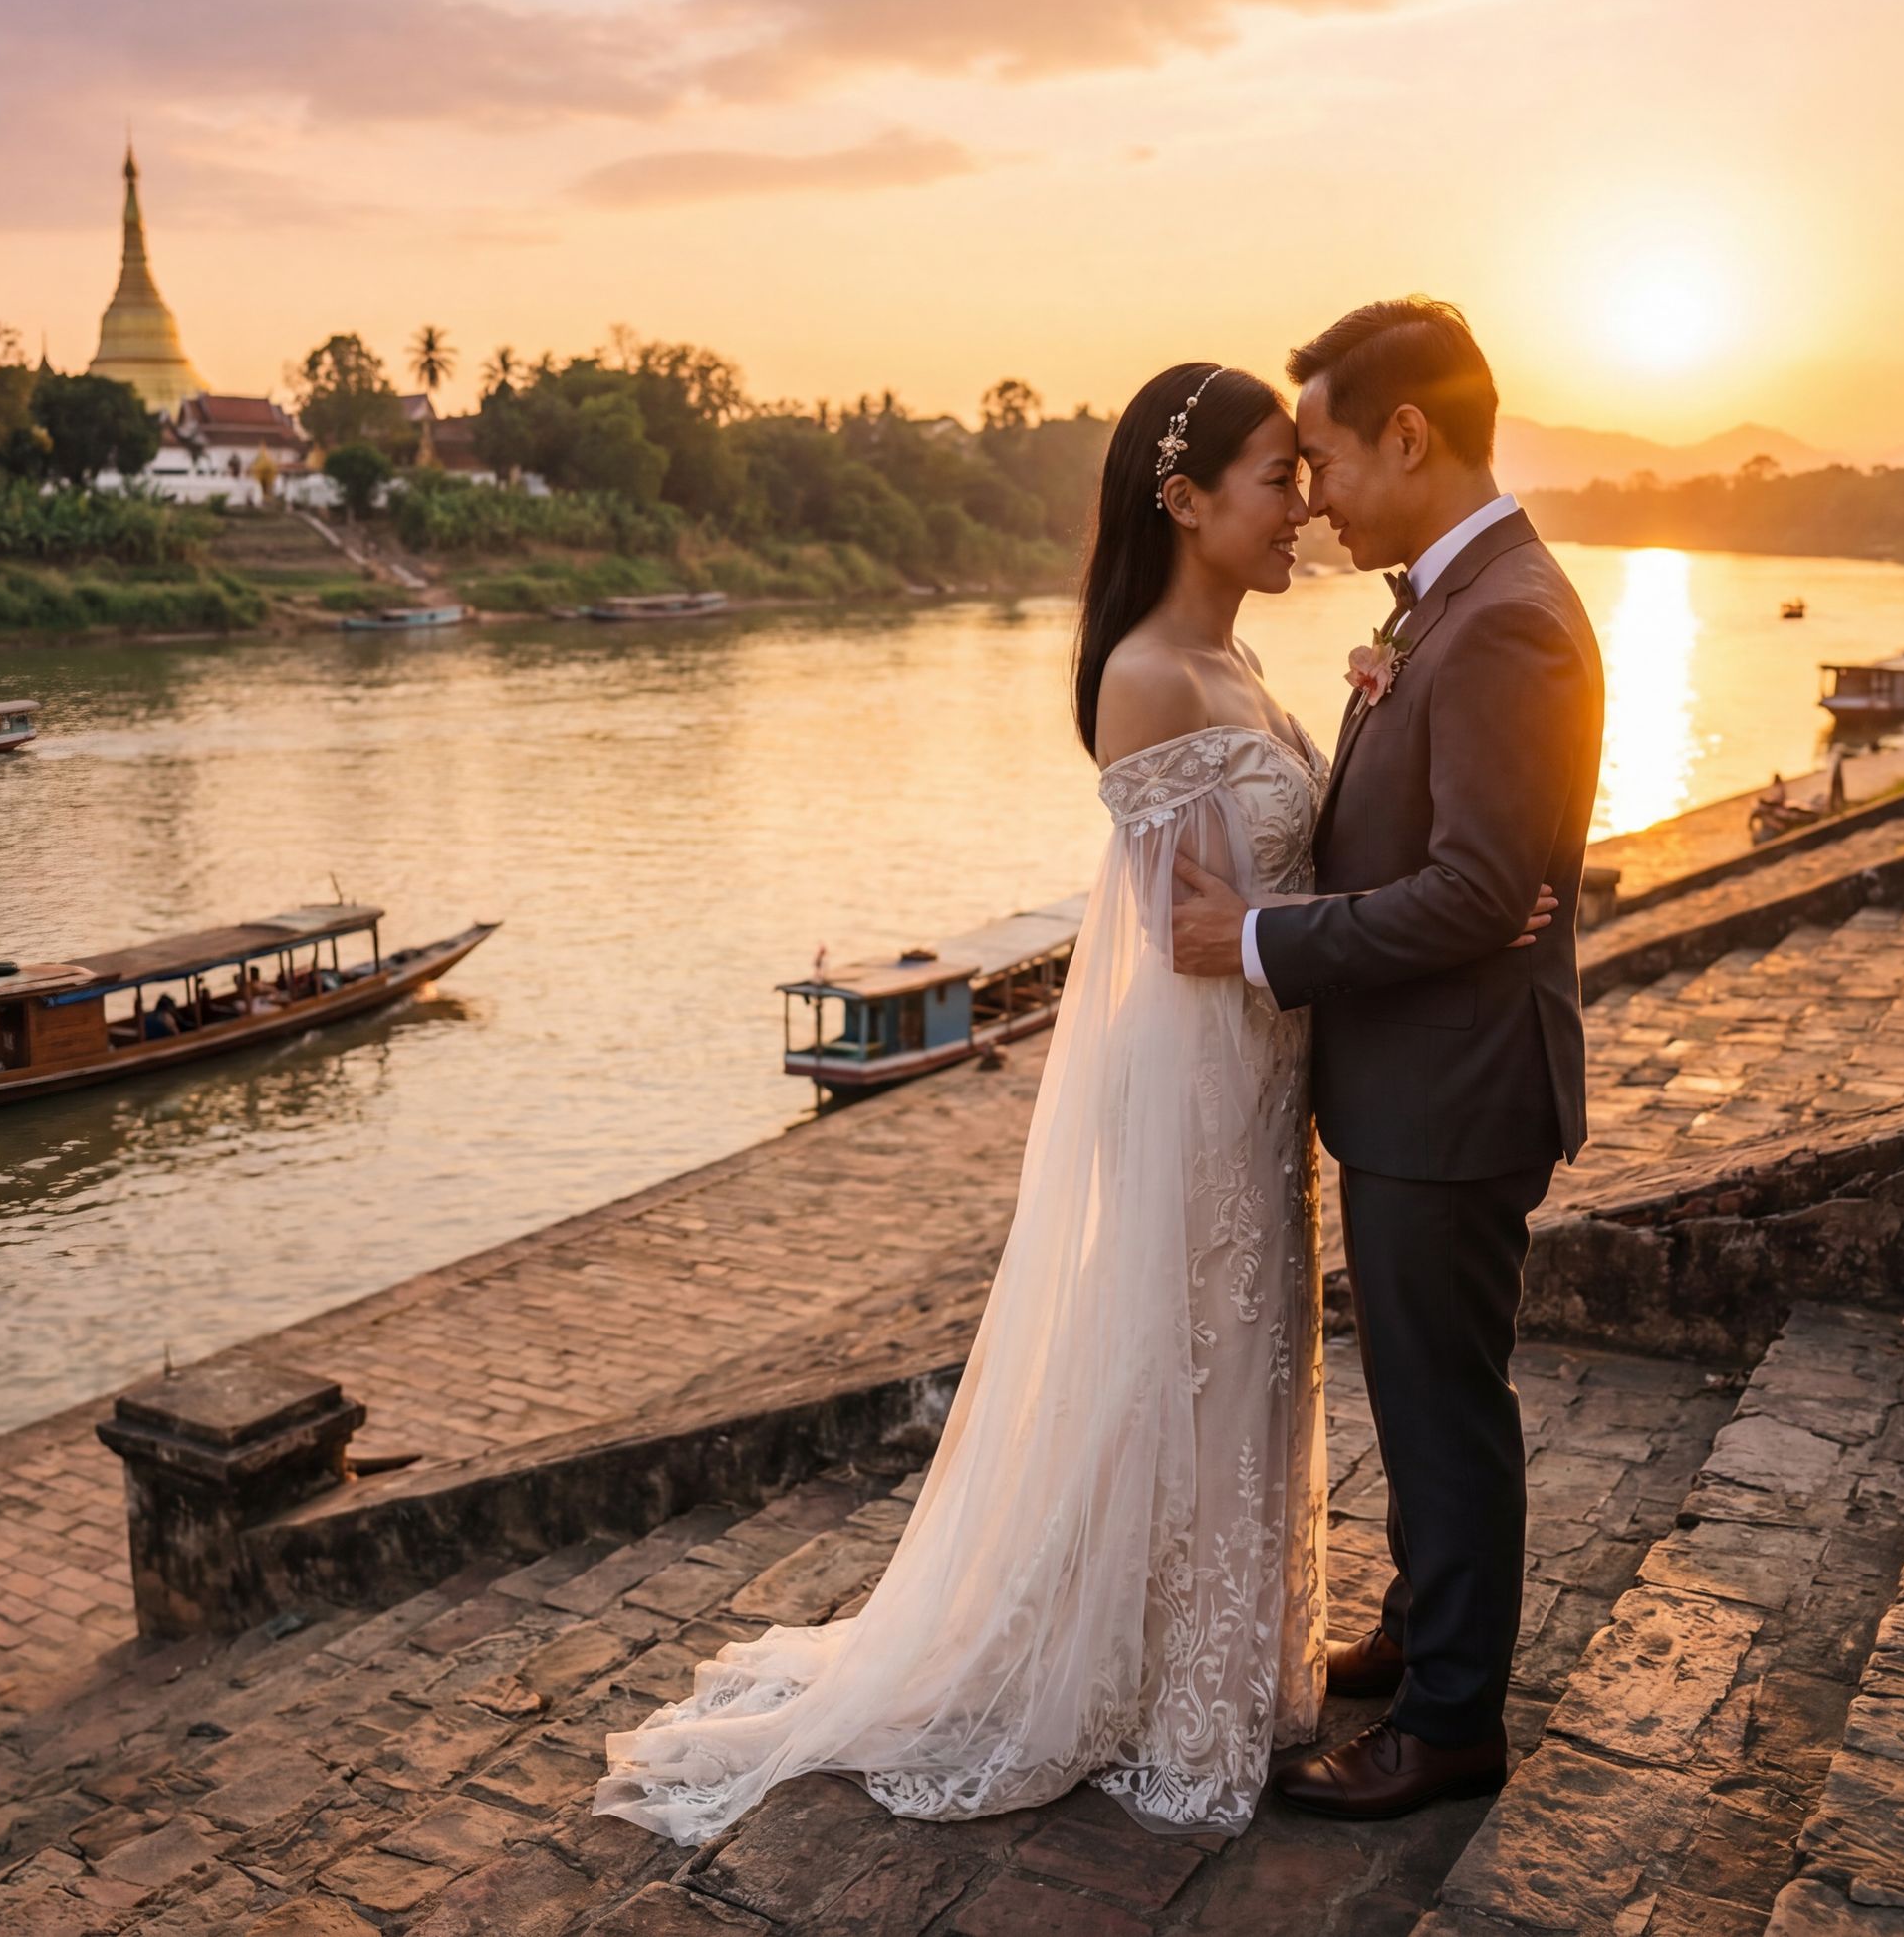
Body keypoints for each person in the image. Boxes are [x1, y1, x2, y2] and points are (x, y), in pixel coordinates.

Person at [597, 361, 1555, 1848]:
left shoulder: (1247, 655)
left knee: (1261, 1366)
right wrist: (1446, 905)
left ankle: (1262, 1648)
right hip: (1203, 1082)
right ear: (1183, 499)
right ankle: (1156, 1661)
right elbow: (1187, 932)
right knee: (1188, 1358)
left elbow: (1295, 876)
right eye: (1276, 478)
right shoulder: (1150, 676)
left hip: (1276, 1075)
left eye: (1310, 472)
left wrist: (1463, 892)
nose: (1302, 505)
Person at [1171, 299, 1603, 1820]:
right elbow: (1471, 862)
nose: (1318, 495)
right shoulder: (1458, 601)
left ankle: (1450, 1721)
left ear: (1408, 437)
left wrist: (1260, 940)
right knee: (1422, 1387)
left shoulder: (1506, 619)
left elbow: (1479, 889)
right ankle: (1425, 1631)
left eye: (1330, 459)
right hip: (1428, 1077)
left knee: (1443, 1403)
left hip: (1457, 1090)